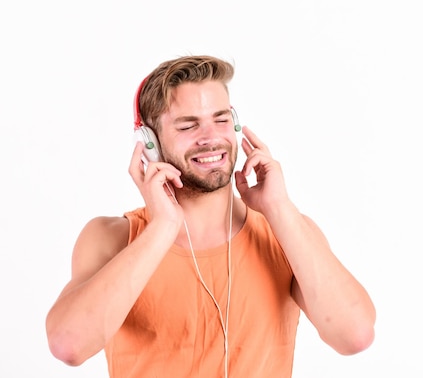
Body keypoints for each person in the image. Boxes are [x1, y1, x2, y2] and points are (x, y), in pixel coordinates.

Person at [45, 55, 376, 378]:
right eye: (188, 125)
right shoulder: (111, 237)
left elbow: (354, 336)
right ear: (150, 144)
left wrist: (278, 207)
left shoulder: (286, 230)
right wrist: (163, 227)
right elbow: (68, 345)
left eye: (220, 119)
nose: (211, 137)